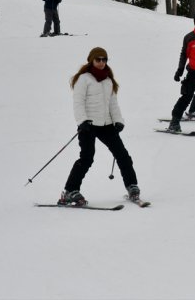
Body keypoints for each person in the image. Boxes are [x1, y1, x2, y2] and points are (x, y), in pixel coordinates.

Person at [59, 47, 141, 206]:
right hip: (88, 125)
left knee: (122, 155)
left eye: (104, 60)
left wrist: (118, 120)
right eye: (98, 59)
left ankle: (132, 186)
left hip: (107, 124)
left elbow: (113, 104)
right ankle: (70, 191)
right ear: (91, 60)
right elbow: (78, 102)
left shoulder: (108, 80)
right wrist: (82, 121)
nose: (102, 63)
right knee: (87, 158)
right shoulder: (84, 79)